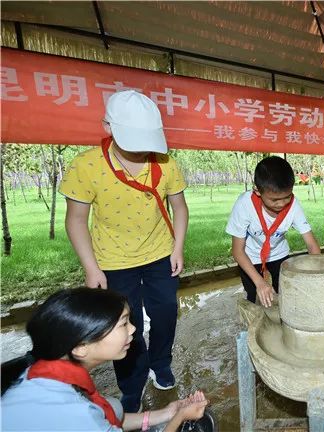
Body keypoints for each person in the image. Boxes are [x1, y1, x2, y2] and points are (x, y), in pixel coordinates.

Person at [60, 90, 189, 412]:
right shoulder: (86, 165)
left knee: (165, 315)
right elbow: (76, 220)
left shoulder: (166, 163)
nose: (142, 150)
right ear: (107, 125)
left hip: (161, 255)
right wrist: (92, 268)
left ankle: (161, 363)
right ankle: (131, 383)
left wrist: (177, 248)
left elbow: (180, 208)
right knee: (122, 327)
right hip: (113, 262)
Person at [1, 288, 208, 432]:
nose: (134, 329)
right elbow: (89, 419)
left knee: (113, 407)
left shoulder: (39, 371)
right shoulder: (78, 414)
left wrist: (167, 413)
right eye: (124, 324)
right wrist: (181, 418)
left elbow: (106, 415)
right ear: (81, 347)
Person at [226, 156, 321, 308]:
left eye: (287, 197)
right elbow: (237, 251)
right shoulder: (244, 204)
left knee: (286, 294)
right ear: (257, 191)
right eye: (275, 200)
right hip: (250, 257)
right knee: (256, 296)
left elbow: (311, 245)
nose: (282, 204)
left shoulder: (294, 206)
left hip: (279, 253)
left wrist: (318, 272)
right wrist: (260, 283)